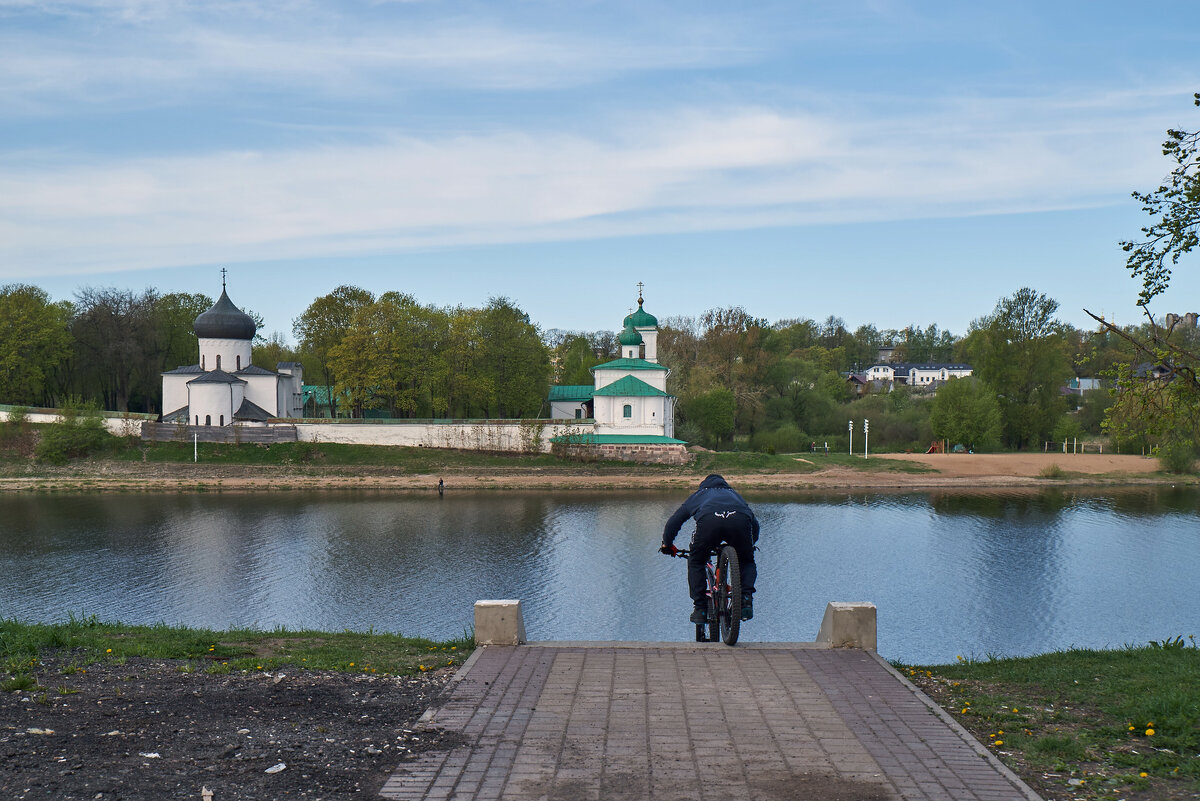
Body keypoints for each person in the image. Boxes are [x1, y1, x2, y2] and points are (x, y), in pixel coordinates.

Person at [660, 474, 759, 623]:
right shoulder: (735, 495)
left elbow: (674, 521)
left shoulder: (700, 494)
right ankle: (746, 600)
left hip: (709, 523)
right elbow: (755, 524)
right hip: (738, 522)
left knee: (696, 561)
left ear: (704, 484)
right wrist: (750, 544)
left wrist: (667, 544)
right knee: (747, 561)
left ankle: (700, 609)